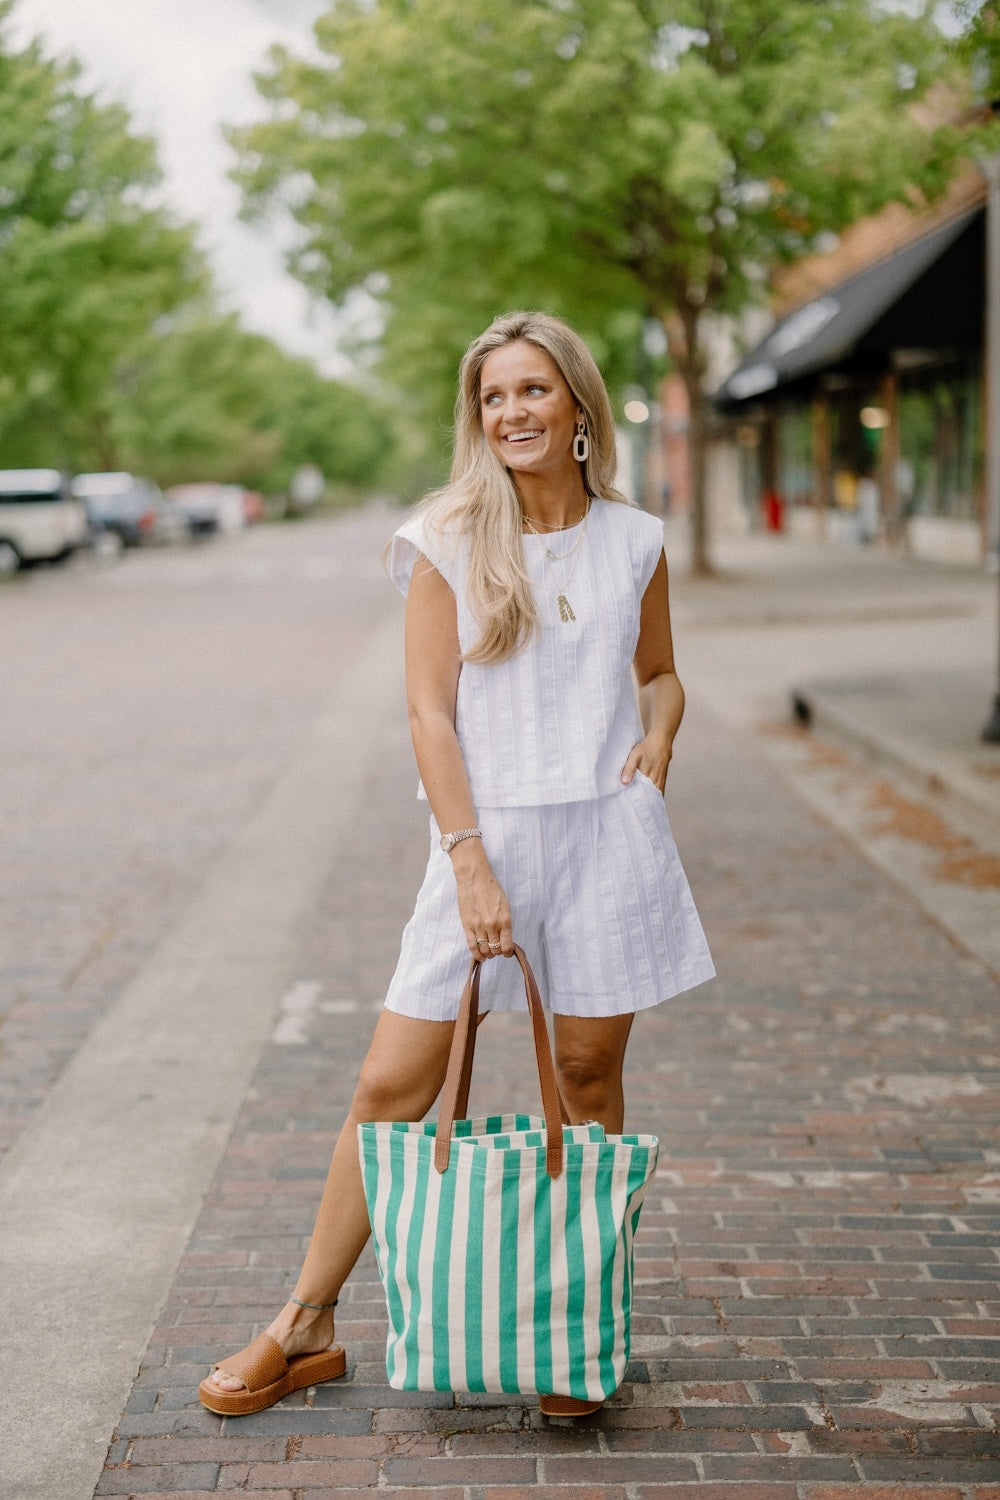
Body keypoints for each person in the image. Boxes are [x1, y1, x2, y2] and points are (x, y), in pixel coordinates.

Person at [199, 310, 715, 1419]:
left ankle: (579, 1330)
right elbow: (431, 716)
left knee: (584, 1084)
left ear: (577, 405)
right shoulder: (445, 536)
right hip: (484, 840)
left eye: (533, 390)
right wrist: (471, 862)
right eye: (492, 396)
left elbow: (661, 673)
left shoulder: (636, 539)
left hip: (604, 839)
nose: (511, 412)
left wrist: (659, 739)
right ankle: (306, 1322)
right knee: (394, 1083)